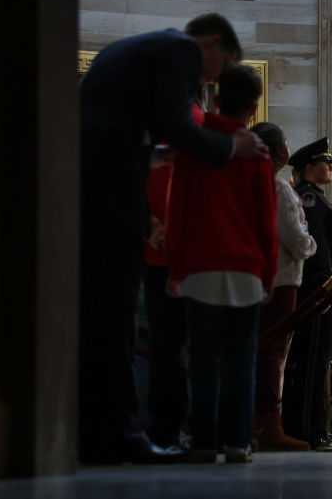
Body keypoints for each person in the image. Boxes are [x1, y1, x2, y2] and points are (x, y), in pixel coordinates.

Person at [78, 13, 267, 464]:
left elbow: (150, 132)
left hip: (100, 180)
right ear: (215, 45)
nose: (208, 84)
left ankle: (104, 431)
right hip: (112, 191)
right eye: (217, 70)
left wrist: (157, 156)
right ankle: (119, 435)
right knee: (116, 317)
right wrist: (232, 148)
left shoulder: (143, 51)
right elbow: (177, 125)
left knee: (110, 317)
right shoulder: (180, 51)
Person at [166, 64, 277, 464]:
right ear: (252, 107)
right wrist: (268, 272)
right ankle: (237, 440)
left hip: (199, 265)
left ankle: (202, 440)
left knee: (202, 360)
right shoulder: (258, 154)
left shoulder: (196, 146)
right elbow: (266, 221)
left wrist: (175, 266)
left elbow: (177, 209)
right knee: (240, 360)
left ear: (215, 96)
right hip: (246, 267)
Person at [250, 122, 317, 451]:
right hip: (281, 279)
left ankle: (254, 423)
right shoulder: (278, 189)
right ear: (280, 152)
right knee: (274, 353)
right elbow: (294, 237)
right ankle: (268, 426)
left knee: (261, 351)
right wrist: (311, 244)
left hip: (261, 277)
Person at [142, 100, 205, 452]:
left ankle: (166, 429)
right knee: (180, 349)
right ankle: (181, 428)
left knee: (167, 348)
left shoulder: (153, 121)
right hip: (180, 255)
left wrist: (151, 224)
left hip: (166, 253)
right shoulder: (195, 122)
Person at [282, 137, 332, 447]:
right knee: (309, 361)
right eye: (325, 162)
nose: (331, 167)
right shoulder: (308, 198)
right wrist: (327, 282)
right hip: (317, 289)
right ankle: (305, 429)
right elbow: (317, 248)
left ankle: (312, 426)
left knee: (317, 359)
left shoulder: (316, 198)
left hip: (322, 288)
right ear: (309, 167)